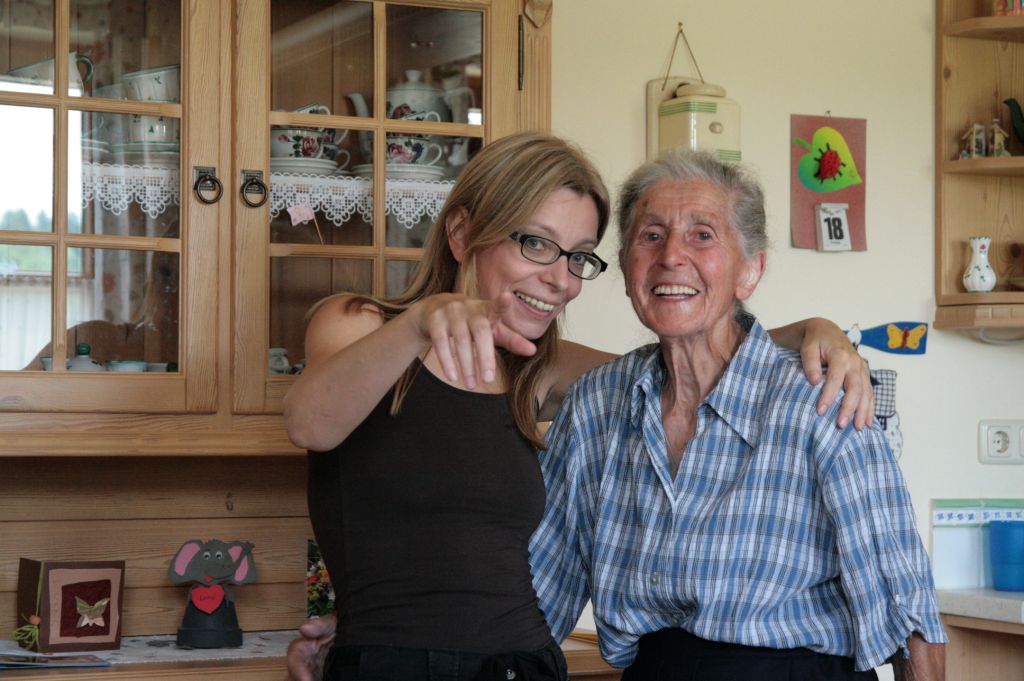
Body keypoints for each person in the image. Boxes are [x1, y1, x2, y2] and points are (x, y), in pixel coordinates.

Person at [282, 133, 873, 681]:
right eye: (536, 243)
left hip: (526, 665)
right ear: (462, 233)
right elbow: (310, 424)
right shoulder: (359, 324)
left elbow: (694, 351)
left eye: (578, 256)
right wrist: (419, 323)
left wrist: (814, 330)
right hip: (392, 665)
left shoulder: (536, 367)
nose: (561, 280)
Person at [528, 148, 946, 681]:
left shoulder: (821, 400)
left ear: (749, 272)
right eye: (651, 235)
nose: (671, 256)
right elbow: (542, 591)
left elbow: (907, 616)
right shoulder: (596, 405)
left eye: (702, 235)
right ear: (628, 267)